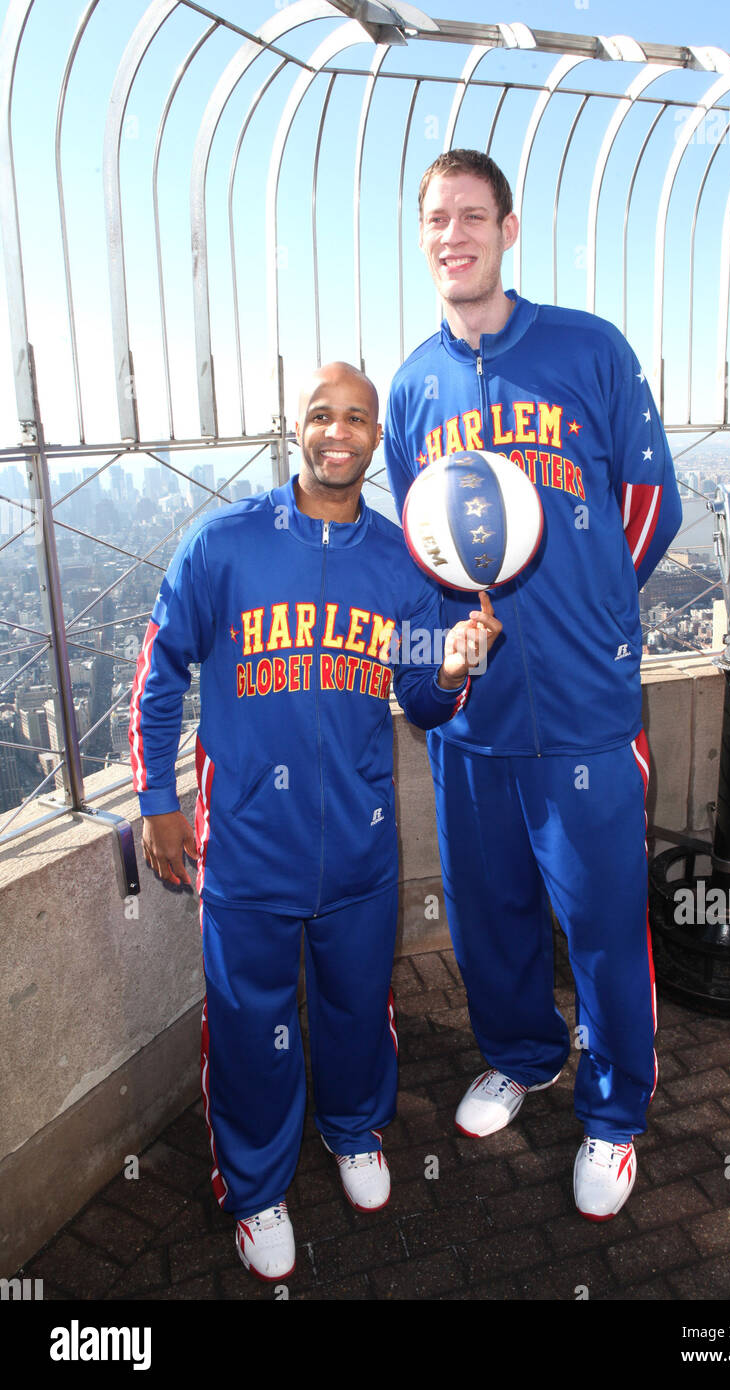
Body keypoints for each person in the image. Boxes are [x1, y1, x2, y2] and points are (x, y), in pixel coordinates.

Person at [129, 361, 501, 1281]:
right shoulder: (223, 545)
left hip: (362, 846)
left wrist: (454, 666)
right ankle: (255, 1190)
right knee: (250, 1025)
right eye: (321, 415)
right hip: (250, 847)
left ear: (378, 437)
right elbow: (160, 669)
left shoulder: (401, 565)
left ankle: (356, 1132)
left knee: (354, 1006)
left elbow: (420, 698)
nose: (340, 432)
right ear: (294, 425)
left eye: (359, 418)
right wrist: (157, 803)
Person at [384, 150, 682, 1220]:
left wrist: (597, 613)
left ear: (509, 229)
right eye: (434, 218)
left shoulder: (587, 348)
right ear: (422, 237)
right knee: (488, 914)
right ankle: (520, 1054)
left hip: (584, 707)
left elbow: (649, 501)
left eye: (471, 215)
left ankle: (612, 1115)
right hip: (474, 716)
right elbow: (419, 554)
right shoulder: (412, 384)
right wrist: (434, 676)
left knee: (601, 919)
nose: (451, 233)